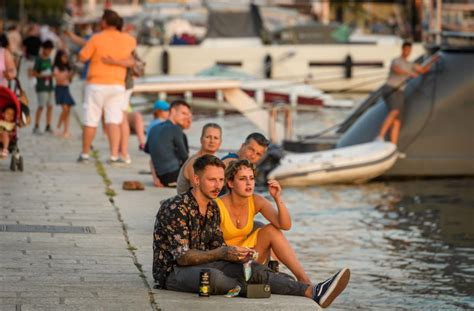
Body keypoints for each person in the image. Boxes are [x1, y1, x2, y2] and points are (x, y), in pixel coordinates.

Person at [153, 154, 350, 308]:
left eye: (220, 180)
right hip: (173, 272)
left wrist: (236, 256)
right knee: (212, 277)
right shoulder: (176, 207)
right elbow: (183, 258)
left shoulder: (212, 208)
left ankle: (312, 291)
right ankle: (254, 287)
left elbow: (216, 247)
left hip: (207, 262)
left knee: (252, 268)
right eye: (212, 180)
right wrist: (222, 253)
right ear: (196, 180)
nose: (217, 185)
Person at [216, 159, 311, 285]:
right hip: (227, 260)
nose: (249, 183)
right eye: (242, 179)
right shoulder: (217, 206)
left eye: (251, 178)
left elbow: (285, 225)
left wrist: (277, 198)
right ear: (230, 183)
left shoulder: (255, 200)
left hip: (250, 255)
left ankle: (304, 281)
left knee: (272, 230)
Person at [76, 9, 136, 164]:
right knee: (113, 121)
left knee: (91, 119)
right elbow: (131, 59)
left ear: (104, 22)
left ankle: (85, 154)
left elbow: (82, 57)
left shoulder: (96, 38)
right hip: (117, 84)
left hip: (96, 83)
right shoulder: (128, 39)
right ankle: (114, 155)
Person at [377, 41, 439, 144]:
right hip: (391, 88)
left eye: (409, 50)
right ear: (403, 49)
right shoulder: (396, 60)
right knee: (395, 111)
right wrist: (409, 73)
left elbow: (423, 70)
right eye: (406, 50)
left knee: (397, 120)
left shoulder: (410, 64)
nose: (408, 52)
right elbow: (396, 70)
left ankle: (393, 146)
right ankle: (380, 136)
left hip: (400, 91)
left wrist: (432, 60)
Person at [145, 99, 191, 187]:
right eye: (183, 113)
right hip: (174, 176)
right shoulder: (176, 129)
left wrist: (155, 178)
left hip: (161, 178)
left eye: (187, 115)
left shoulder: (154, 128)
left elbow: (152, 156)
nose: (186, 117)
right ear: (173, 111)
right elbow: (185, 159)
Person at [176, 123, 222, 194]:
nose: (212, 141)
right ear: (201, 140)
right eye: (208, 137)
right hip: (187, 203)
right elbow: (198, 192)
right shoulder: (195, 162)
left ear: (220, 143)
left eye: (215, 138)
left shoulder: (212, 162)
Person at [31, 40, 54, 134]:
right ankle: (36, 125)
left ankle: (48, 125)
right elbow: (33, 72)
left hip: (50, 85)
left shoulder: (49, 59)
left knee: (50, 106)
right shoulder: (38, 59)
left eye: (50, 50)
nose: (48, 52)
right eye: (47, 49)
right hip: (41, 85)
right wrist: (42, 75)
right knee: (41, 106)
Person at [53, 50, 75, 138]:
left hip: (66, 88)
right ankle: (58, 126)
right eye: (64, 57)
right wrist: (68, 75)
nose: (66, 59)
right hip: (60, 89)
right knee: (65, 109)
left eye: (66, 57)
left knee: (68, 110)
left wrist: (71, 75)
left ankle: (66, 130)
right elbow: (58, 79)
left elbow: (69, 80)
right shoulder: (56, 68)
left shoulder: (67, 68)